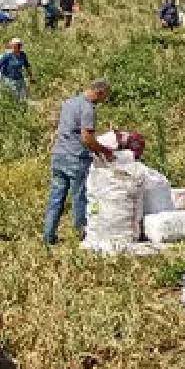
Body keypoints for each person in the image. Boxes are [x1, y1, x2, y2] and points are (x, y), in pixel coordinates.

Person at [44, 80, 114, 245]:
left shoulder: (69, 103)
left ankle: (48, 236)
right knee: (80, 198)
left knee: (56, 197)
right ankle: (82, 236)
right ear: (99, 92)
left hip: (59, 156)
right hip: (76, 159)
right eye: (104, 96)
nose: (103, 100)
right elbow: (87, 138)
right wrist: (104, 151)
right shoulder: (88, 108)